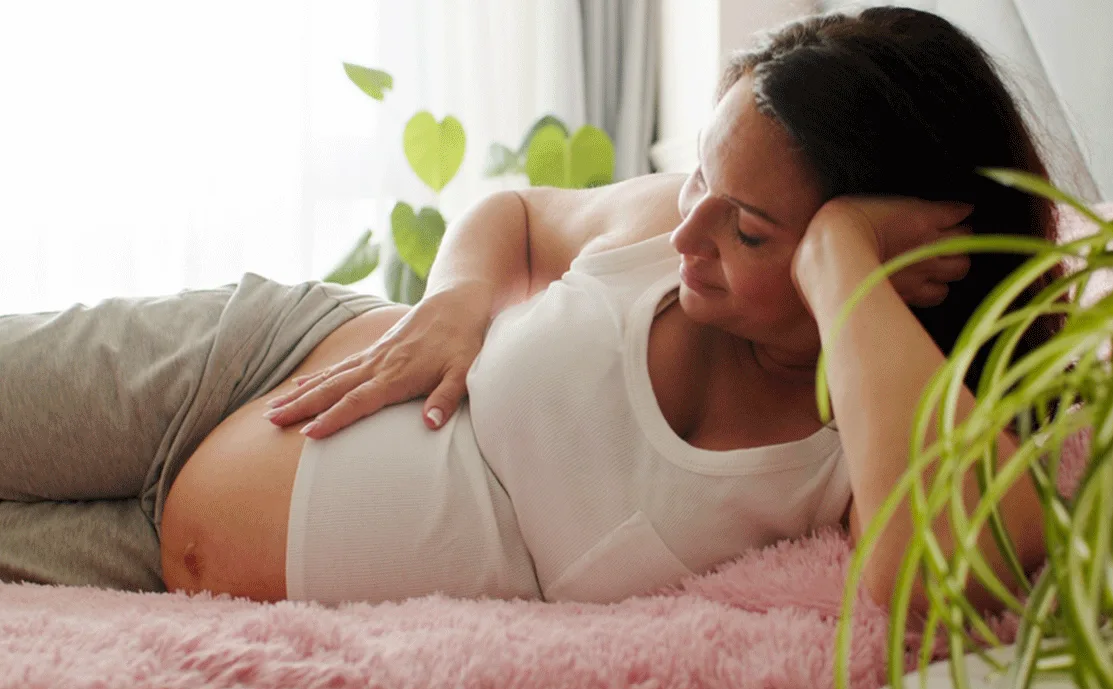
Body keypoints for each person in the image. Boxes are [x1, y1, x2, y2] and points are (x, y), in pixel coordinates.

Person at [0, 7, 1057, 608]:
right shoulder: (660, 229)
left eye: (749, 231)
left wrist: (845, 271)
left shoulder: (865, 440)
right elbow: (514, 210)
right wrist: (460, 295)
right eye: (700, 179)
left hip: (155, 569)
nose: (689, 236)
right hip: (232, 367)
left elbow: (950, 582)